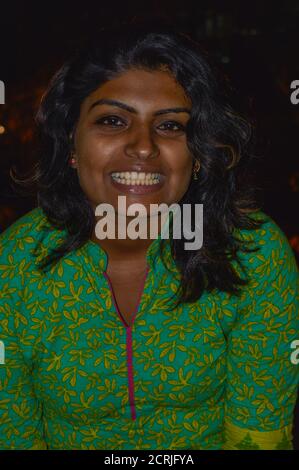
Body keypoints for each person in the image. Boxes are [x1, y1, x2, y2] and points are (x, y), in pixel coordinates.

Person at [0, 23, 298, 451]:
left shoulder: (252, 254)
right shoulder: (13, 266)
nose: (143, 147)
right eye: (112, 120)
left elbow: (258, 434)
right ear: (71, 143)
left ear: (198, 153)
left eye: (171, 127)